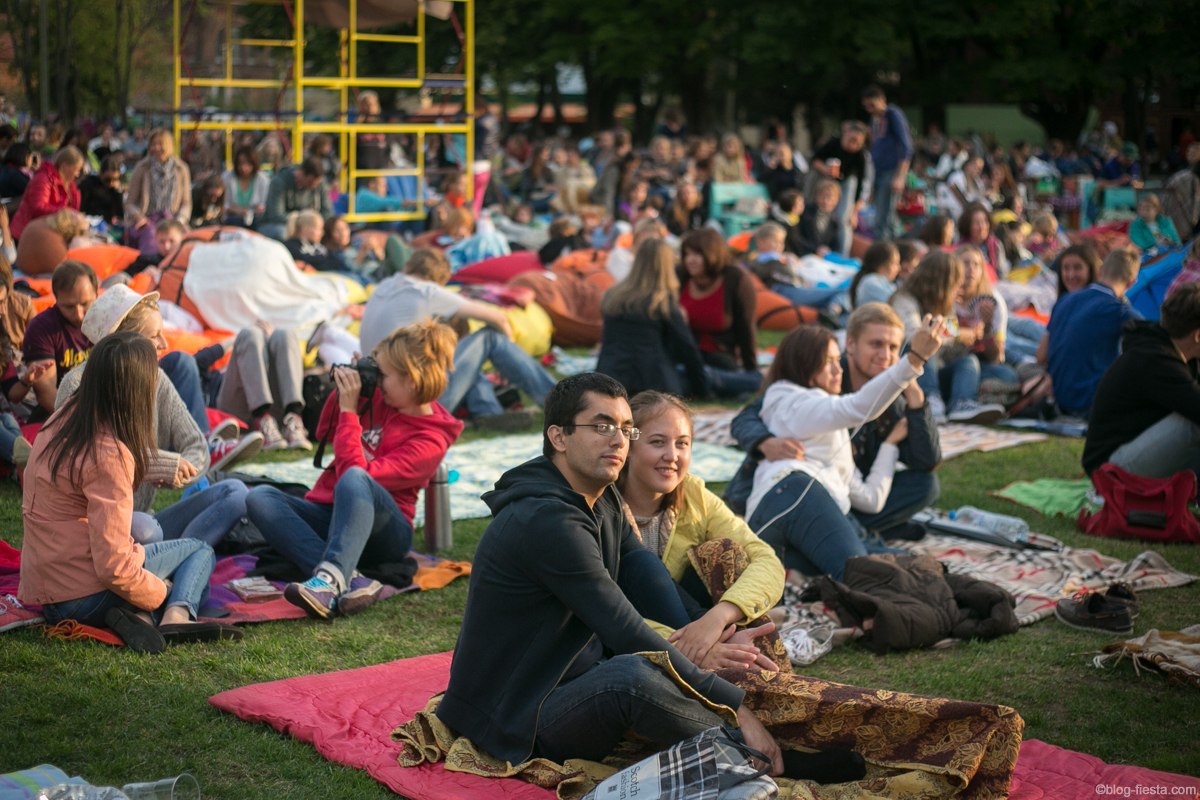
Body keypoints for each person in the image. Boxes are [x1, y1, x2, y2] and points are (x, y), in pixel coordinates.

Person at [436, 372, 783, 772]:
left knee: (659, 613)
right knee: (631, 676)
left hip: (571, 675)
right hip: (516, 717)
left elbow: (646, 580)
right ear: (559, 437)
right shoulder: (548, 521)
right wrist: (733, 706)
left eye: (626, 428)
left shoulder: (601, 498)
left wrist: (702, 639)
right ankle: (754, 751)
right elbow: (624, 629)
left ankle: (762, 733)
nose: (618, 440)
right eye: (602, 426)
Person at [18, 332, 242, 654]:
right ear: (135, 389)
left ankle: (138, 615)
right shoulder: (109, 453)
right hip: (81, 597)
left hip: (45, 589)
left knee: (150, 540)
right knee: (199, 550)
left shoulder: (60, 422)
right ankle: (174, 614)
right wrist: (159, 591)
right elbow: (113, 566)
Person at [245, 320, 463, 619]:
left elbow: (353, 473)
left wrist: (350, 412)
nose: (379, 381)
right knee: (261, 498)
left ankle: (330, 579)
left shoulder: (430, 441)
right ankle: (352, 579)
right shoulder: (385, 395)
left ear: (411, 380)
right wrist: (350, 392)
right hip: (335, 512)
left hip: (385, 534)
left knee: (356, 477)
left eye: (383, 375)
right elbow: (324, 430)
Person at [744, 317, 944, 581]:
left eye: (837, 360)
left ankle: (783, 566)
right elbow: (859, 407)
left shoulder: (830, 419)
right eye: (829, 362)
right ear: (804, 363)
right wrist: (914, 359)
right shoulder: (788, 399)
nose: (838, 370)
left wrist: (889, 445)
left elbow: (870, 499)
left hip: (823, 512)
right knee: (863, 574)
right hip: (791, 497)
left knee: (922, 568)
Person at [616, 390, 786, 667]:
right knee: (642, 565)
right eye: (657, 442)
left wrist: (717, 619)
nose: (672, 456)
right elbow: (605, 611)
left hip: (701, 626)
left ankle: (751, 667)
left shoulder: (694, 496)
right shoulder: (601, 508)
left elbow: (767, 560)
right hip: (632, 644)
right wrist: (693, 647)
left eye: (682, 444)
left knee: (727, 551)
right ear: (628, 447)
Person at [57, 284, 261, 509]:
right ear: (125, 341)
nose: (164, 344)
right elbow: (83, 461)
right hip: (92, 523)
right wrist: (158, 466)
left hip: (142, 518)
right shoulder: (75, 385)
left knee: (234, 493)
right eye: (155, 336)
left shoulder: (157, 379)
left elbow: (197, 446)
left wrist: (180, 472)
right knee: (152, 531)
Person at [359, 248, 557, 430]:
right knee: (490, 338)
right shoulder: (427, 292)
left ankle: (487, 412)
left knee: (462, 355)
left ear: (408, 266)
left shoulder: (383, 287)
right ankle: (558, 402)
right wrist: (508, 358)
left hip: (384, 399)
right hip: (418, 400)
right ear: (440, 280)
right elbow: (499, 318)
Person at [1084, 283, 1200, 481]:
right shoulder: (1157, 360)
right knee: (1193, 426)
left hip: (1124, 452)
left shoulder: (1163, 350)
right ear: (1197, 335)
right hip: (1109, 469)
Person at [596, 238, 708, 398]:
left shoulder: (613, 296)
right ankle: (753, 380)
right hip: (653, 385)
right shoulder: (661, 302)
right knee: (712, 376)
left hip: (611, 380)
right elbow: (688, 351)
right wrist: (702, 390)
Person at [1046, 247, 1141, 418]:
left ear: (1101, 270)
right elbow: (1158, 339)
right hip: (1090, 404)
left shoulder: (1065, 300)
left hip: (1060, 399)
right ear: (1132, 282)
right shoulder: (1118, 311)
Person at [678, 227, 761, 396]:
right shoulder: (680, 276)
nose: (690, 260)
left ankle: (716, 382)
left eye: (697, 255)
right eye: (687, 254)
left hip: (720, 358)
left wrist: (750, 368)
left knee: (751, 380)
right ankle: (714, 385)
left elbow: (746, 327)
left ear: (712, 255)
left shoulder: (736, 279)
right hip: (685, 357)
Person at [21, 260, 98, 415]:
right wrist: (83, 426)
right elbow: (47, 394)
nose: (79, 314)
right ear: (56, 298)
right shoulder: (42, 328)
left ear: (97, 294)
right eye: (69, 306)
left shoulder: (110, 317)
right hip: (61, 413)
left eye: (85, 304)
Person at [125, 129, 192, 258]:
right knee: (151, 237)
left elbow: (186, 202)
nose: (156, 148)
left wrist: (180, 220)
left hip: (172, 218)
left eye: (160, 144)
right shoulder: (142, 168)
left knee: (178, 238)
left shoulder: (181, 169)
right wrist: (139, 217)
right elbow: (130, 202)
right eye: (153, 144)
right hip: (148, 218)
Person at [862, 85, 913, 240]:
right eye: (867, 106)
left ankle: (887, 251)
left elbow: (906, 147)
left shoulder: (893, 114)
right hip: (878, 172)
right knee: (881, 215)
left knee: (885, 217)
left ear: (882, 100)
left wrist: (900, 175)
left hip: (891, 172)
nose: (870, 109)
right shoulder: (875, 120)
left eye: (872, 105)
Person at [10, 146, 83, 241]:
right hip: (26, 234)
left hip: (45, 234)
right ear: (65, 166)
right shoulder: (43, 178)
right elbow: (38, 207)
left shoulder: (69, 185)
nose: (77, 174)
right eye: (76, 169)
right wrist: (65, 212)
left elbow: (73, 210)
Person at [257, 158, 332, 241]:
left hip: (309, 224)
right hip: (277, 224)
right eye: (310, 182)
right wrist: (302, 222)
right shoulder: (279, 182)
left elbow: (327, 212)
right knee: (282, 232)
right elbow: (276, 215)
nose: (313, 186)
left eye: (316, 183)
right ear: (301, 173)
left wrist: (315, 225)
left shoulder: (319, 184)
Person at [788, 179, 843, 257]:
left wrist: (828, 251)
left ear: (837, 200)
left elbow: (835, 245)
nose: (826, 201)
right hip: (802, 256)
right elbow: (795, 237)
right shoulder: (804, 212)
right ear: (816, 196)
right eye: (823, 196)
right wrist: (815, 249)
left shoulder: (834, 221)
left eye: (830, 198)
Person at [222, 145, 270, 227]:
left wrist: (257, 210)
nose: (243, 168)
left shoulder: (262, 179)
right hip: (232, 219)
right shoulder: (227, 177)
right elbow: (224, 206)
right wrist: (239, 211)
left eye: (248, 163)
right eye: (240, 163)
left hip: (255, 219)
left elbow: (264, 205)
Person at [848, 241, 900, 309]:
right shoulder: (871, 282)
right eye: (895, 263)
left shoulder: (879, 282)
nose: (898, 268)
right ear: (882, 265)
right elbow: (899, 302)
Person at [78, 154, 125, 225]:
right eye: (107, 179)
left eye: (115, 179)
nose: (111, 183)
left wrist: (118, 192)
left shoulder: (115, 190)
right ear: (100, 173)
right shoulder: (88, 183)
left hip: (108, 225)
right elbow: (81, 208)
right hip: (89, 222)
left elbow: (120, 214)